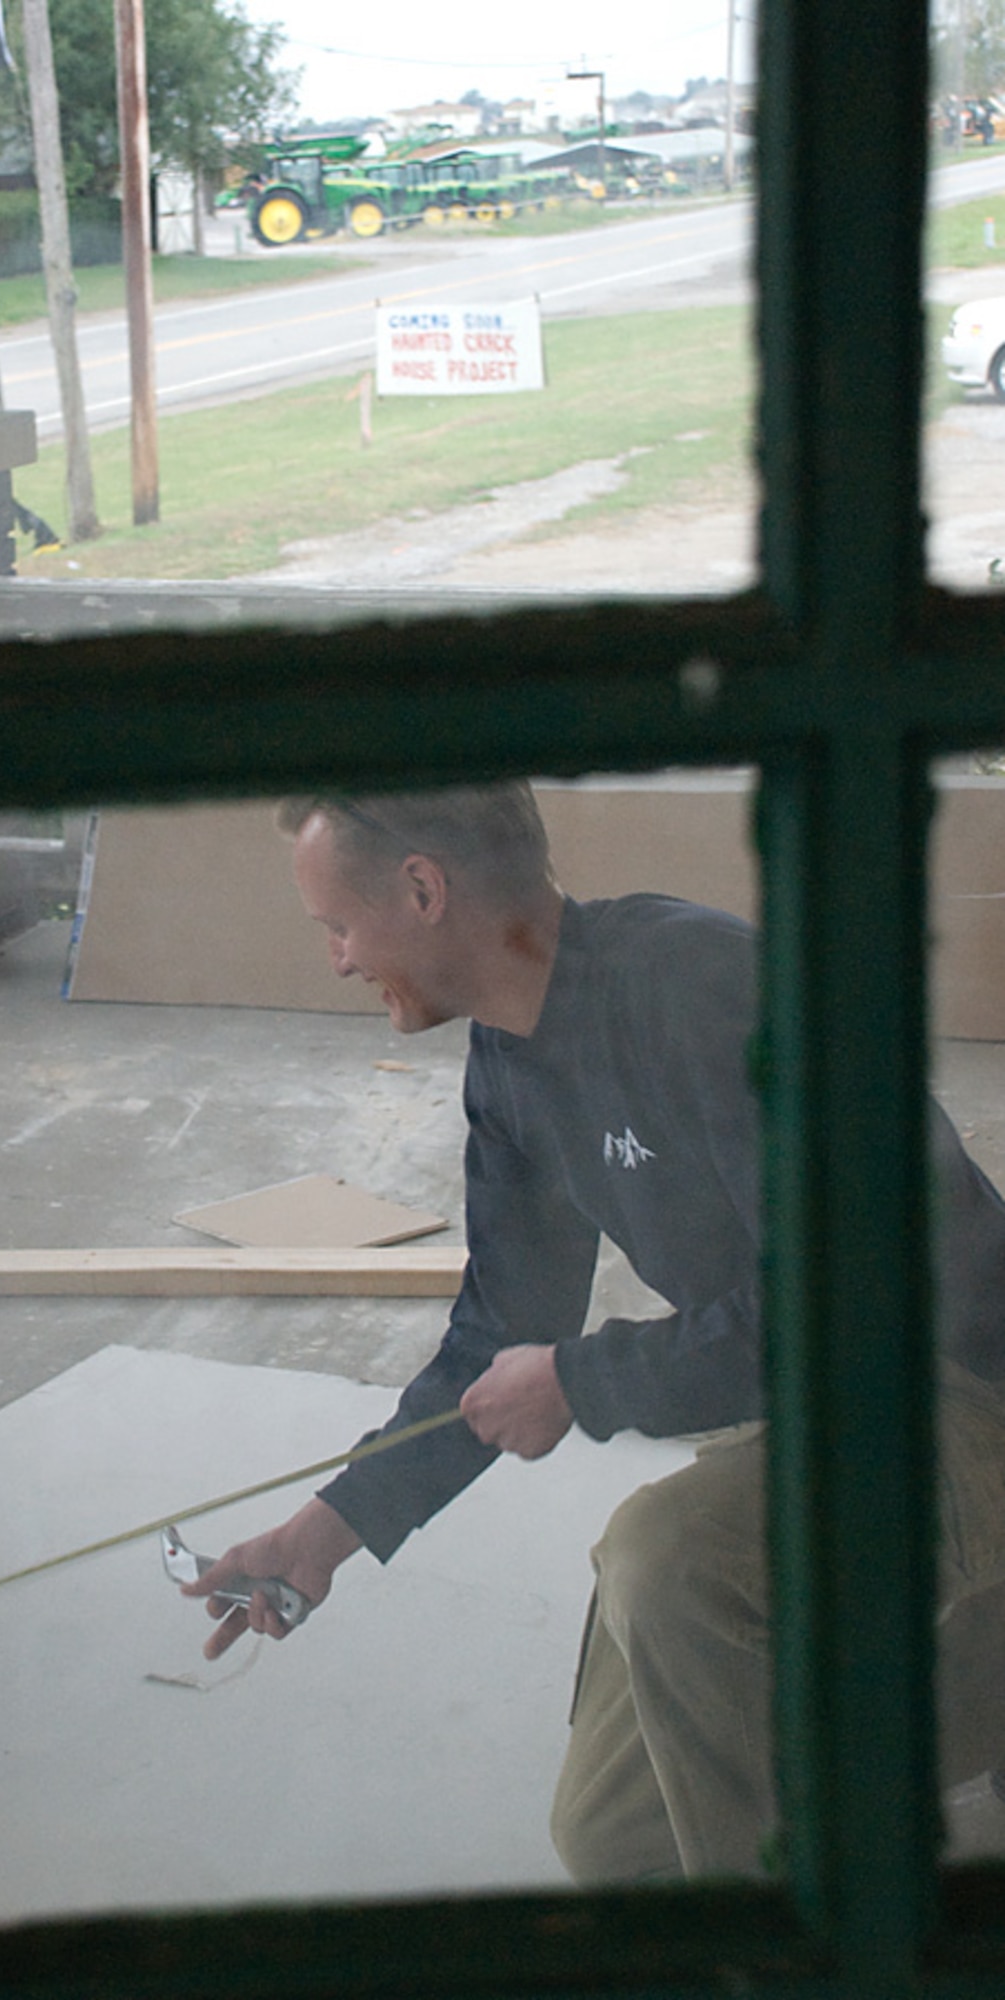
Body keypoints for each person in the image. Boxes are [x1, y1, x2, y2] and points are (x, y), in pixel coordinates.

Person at [181, 784, 1005, 1881]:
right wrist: (323, 1531)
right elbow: (495, 1335)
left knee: (663, 1561)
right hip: (804, 1406)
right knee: (619, 1835)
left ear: (423, 888)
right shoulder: (509, 1067)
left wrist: (585, 1378)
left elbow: (851, 1296)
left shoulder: (703, 986)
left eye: (337, 924)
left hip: (950, 1388)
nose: (336, 958)